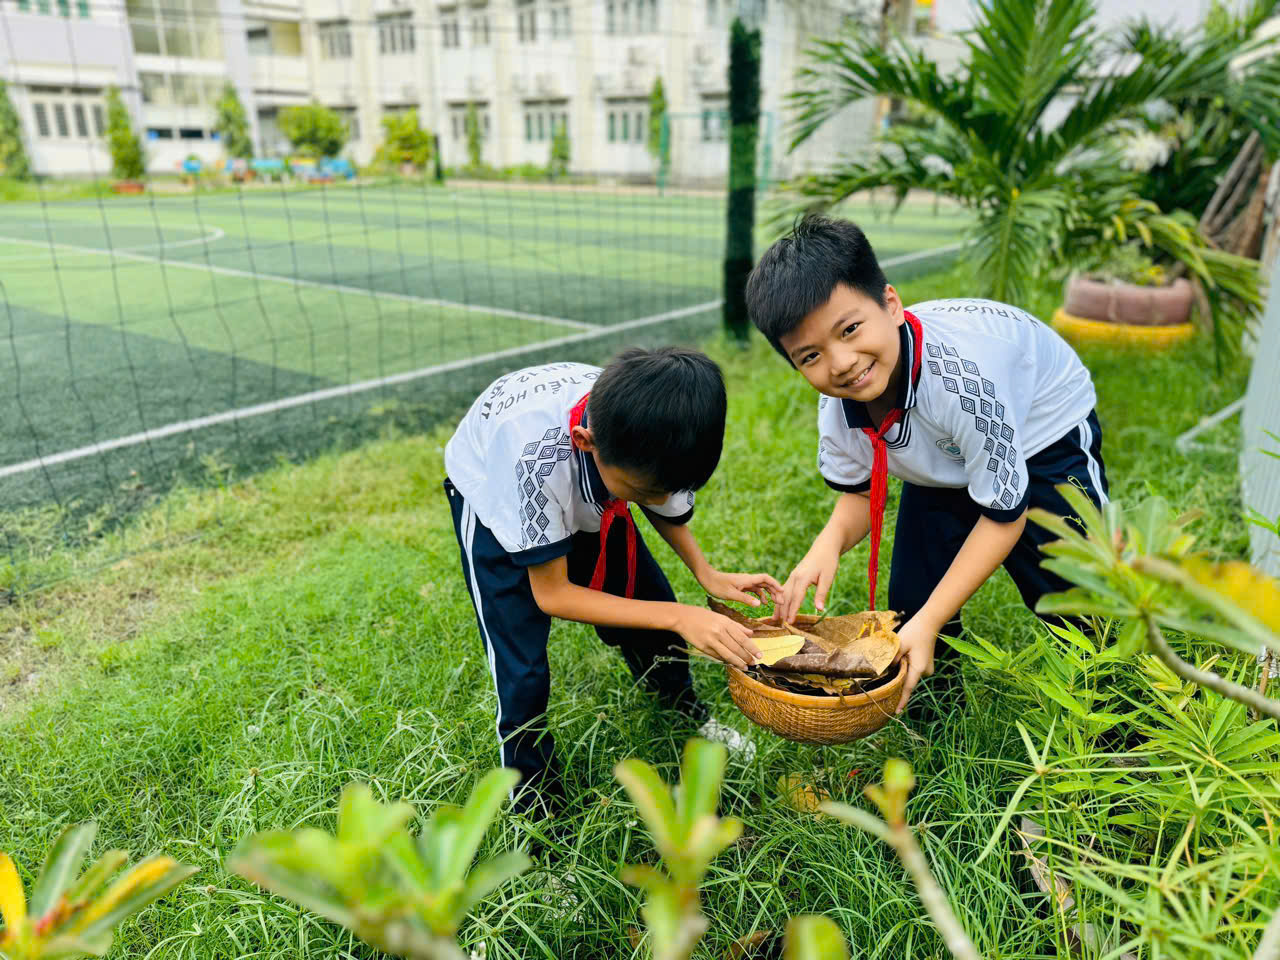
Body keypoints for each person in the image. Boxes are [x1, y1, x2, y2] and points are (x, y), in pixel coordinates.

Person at [745, 215, 1109, 717]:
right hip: (947, 447)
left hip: (1041, 430)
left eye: (850, 329)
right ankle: (934, 721)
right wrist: (824, 548)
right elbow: (856, 497)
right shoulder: (838, 405)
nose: (842, 362)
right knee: (911, 604)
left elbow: (1006, 516)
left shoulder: (965, 381)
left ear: (890, 304)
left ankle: (1120, 731)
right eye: (811, 356)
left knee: (1077, 593)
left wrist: (932, 620)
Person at [444, 348, 781, 813]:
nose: (660, 500)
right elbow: (552, 594)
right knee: (520, 666)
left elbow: (659, 496)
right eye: (646, 492)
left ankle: (682, 710)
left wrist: (705, 573)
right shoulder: (529, 460)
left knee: (650, 601)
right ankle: (536, 811)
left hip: (589, 479)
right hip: (496, 501)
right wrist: (683, 616)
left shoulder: (649, 426)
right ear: (586, 442)